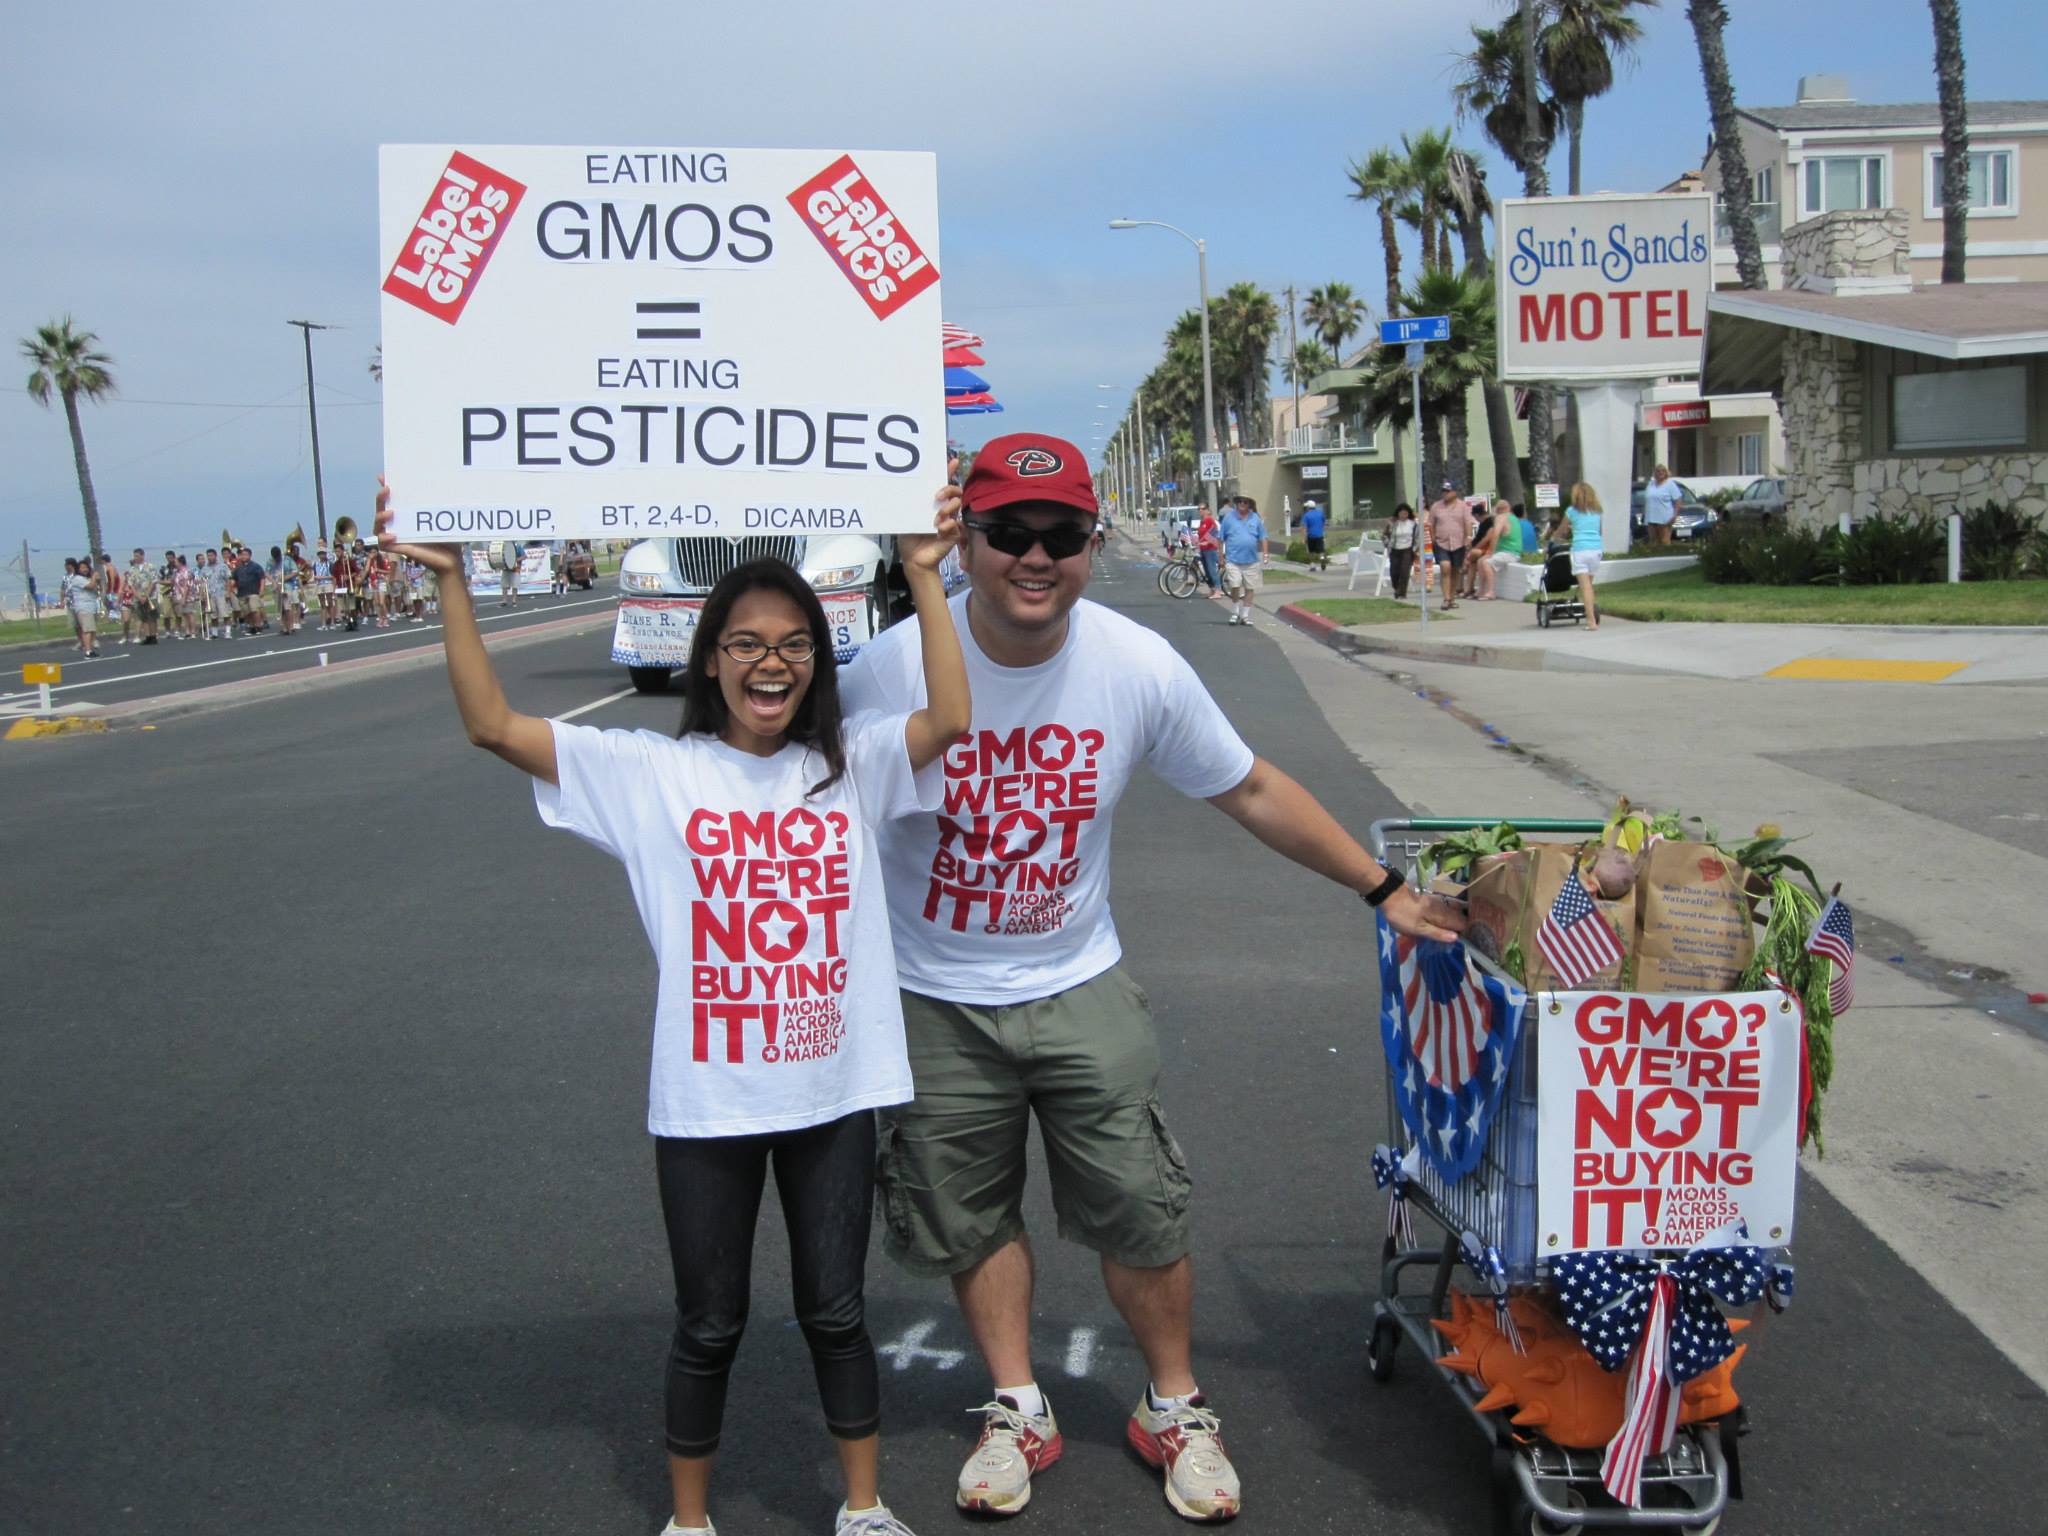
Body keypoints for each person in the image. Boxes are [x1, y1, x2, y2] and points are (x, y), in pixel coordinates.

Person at [838, 433, 1465, 1525]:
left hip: (1078, 979)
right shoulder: (892, 667)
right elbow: (799, 808)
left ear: (1089, 541)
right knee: (969, 1211)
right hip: (934, 994)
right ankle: (1016, 1404)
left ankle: (1174, 1406)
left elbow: (1251, 786)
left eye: (1062, 535)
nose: (1036, 558)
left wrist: (1381, 889)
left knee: (1140, 1206)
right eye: (1009, 535)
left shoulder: (1132, 665)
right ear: (965, 540)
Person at [379, 471, 968, 1536]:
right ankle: (688, 1522)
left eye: (793, 644)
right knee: (710, 1322)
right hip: (705, 1103)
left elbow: (952, 716)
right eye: (744, 643)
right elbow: (490, 726)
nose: (770, 663)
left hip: (833, 1091)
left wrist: (923, 573)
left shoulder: (855, 767)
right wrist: (451, 586)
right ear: (708, 659)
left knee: (836, 1313)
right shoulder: (649, 773)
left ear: (816, 664)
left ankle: (865, 1508)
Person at [1547, 481, 1607, 632]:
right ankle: (1589, 611)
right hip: (1596, 549)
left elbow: (1561, 531)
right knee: (1588, 586)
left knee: (1585, 587)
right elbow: (1599, 531)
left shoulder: (1571, 511)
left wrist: (1552, 539)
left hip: (1580, 549)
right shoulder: (1597, 511)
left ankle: (1591, 621)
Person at [1216, 494, 1267, 627]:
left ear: (1249, 504)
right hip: (1233, 559)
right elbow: (1220, 538)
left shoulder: (1255, 518)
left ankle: (1245, 615)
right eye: (1240, 501)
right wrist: (1220, 556)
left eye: (1245, 502)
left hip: (1251, 560)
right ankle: (1235, 612)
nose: (1242, 504)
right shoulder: (1229, 518)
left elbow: (1263, 537)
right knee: (1235, 585)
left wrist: (1266, 554)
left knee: (1250, 588)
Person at [1425, 483, 1469, 610]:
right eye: (1443, 491)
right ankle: (1446, 599)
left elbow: (1468, 523)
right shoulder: (1436, 506)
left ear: (1455, 492)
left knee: (1455, 570)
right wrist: (1433, 538)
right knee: (1445, 567)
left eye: (1448, 491)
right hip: (1441, 542)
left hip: (1458, 543)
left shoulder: (1463, 506)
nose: (1445, 493)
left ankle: (1452, 598)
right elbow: (1431, 524)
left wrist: (1468, 538)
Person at [63, 557, 100, 656]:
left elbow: (96, 588)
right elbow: (90, 586)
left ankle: (90, 649)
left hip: (91, 606)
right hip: (84, 607)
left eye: (86, 567)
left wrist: (96, 579)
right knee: (87, 630)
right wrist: (94, 577)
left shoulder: (86, 578)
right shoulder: (77, 579)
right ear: (78, 569)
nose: (85, 569)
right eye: (82, 567)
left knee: (92, 630)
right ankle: (88, 651)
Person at [122, 548, 160, 645]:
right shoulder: (132, 569)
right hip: (138, 597)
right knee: (143, 617)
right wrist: (139, 597)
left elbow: (154, 581)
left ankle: (153, 636)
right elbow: (131, 584)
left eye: (137, 556)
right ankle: (147, 636)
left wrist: (146, 595)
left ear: (142, 556)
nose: (135, 558)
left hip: (150, 596)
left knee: (152, 617)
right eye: (134, 556)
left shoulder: (150, 567)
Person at [1643, 464, 1682, 547]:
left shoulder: (1670, 484)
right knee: (1653, 542)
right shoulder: (1651, 483)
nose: (1660, 473)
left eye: (1663, 471)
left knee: (1664, 542)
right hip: (1651, 517)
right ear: (1655, 473)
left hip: (1665, 518)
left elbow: (1678, 501)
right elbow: (1647, 499)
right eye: (1658, 471)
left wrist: (1674, 515)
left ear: (1666, 472)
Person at [231, 546, 267, 635]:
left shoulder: (255, 566)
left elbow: (262, 578)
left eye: (246, 555)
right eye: (242, 555)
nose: (244, 556)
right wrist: (233, 590)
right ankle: (251, 627)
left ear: (250, 556)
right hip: (242, 593)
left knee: (254, 609)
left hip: (253, 591)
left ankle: (258, 626)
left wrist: (261, 590)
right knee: (247, 612)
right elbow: (233, 580)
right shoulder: (238, 568)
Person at [1386, 504, 1418, 599]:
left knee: (1404, 571)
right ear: (1398, 513)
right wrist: (1387, 544)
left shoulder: (1413, 524)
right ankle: (1396, 588)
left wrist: (1415, 549)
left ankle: (1402, 593)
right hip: (1395, 550)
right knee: (1394, 572)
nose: (1403, 514)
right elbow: (1385, 535)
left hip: (1407, 550)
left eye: (1406, 512)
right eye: (1401, 512)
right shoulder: (1393, 524)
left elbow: (1417, 537)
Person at [1194, 506, 1221, 596]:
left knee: (1212, 570)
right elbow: (1201, 535)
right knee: (1207, 571)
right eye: (1199, 509)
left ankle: (1218, 590)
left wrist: (1207, 542)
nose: (1200, 510)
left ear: (1208, 510)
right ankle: (1212, 589)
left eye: (1203, 508)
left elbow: (1214, 532)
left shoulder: (1210, 520)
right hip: (1203, 549)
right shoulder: (1202, 522)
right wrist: (1197, 541)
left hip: (1210, 549)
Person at [1299, 497, 1328, 572]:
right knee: (1321, 550)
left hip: (1311, 536)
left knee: (1311, 551)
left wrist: (1303, 538)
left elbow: (1304, 527)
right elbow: (1323, 523)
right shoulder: (1320, 513)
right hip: (1320, 535)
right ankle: (1322, 558)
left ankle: (1312, 565)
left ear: (1308, 507)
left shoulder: (1306, 515)